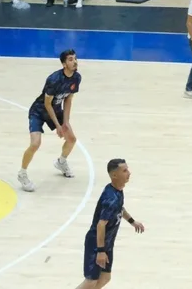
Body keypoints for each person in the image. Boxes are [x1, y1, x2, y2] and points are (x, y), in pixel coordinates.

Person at [18, 49, 82, 192]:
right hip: (39, 111)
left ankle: (61, 162)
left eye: (75, 58)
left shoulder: (76, 78)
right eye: (71, 59)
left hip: (56, 109)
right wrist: (58, 126)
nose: (75, 62)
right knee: (35, 143)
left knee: (71, 139)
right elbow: (47, 104)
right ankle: (22, 173)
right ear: (64, 64)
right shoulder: (54, 80)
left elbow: (68, 99)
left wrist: (66, 122)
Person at [78, 159, 146, 289]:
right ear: (114, 175)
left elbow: (119, 208)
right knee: (91, 282)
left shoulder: (117, 190)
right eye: (124, 171)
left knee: (105, 278)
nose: (129, 173)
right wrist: (100, 251)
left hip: (107, 244)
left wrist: (132, 221)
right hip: (96, 244)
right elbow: (101, 225)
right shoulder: (111, 198)